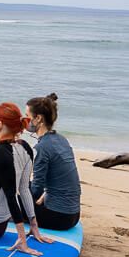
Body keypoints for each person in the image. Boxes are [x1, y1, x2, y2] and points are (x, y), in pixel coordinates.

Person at [0, 103, 52, 254]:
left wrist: (22, 240)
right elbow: (24, 189)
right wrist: (34, 226)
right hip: (0, 224)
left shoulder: (0, 153)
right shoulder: (25, 147)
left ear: (0, 125)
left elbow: (11, 196)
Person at [26, 93, 81, 230]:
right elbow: (60, 178)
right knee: (22, 185)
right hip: (73, 215)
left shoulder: (42, 147)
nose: (24, 120)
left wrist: (18, 204)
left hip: (58, 217)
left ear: (38, 118)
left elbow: (37, 188)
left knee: (10, 203)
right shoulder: (61, 139)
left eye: (27, 116)